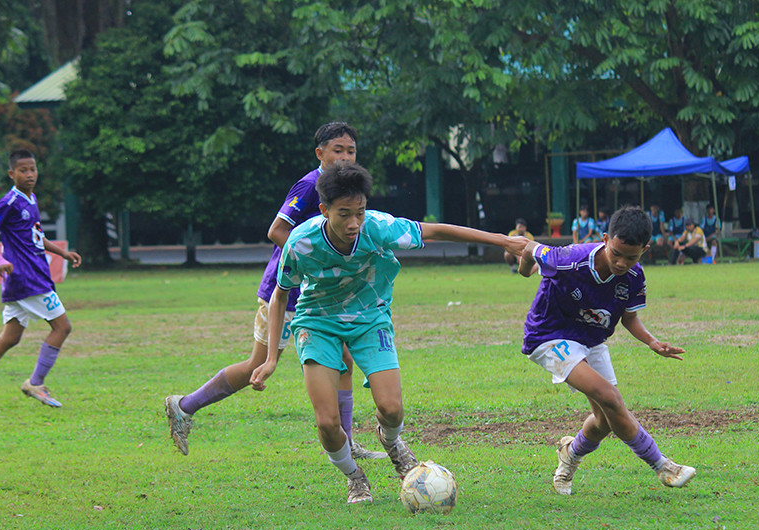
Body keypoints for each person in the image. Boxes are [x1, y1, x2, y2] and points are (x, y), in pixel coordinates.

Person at [250, 163, 529, 504]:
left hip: (370, 318)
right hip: (317, 322)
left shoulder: (378, 227)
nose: (354, 223)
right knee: (326, 422)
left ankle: (391, 440)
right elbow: (280, 296)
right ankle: (355, 478)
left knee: (392, 408)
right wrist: (270, 359)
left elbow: (435, 231)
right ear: (324, 211)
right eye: (344, 214)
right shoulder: (301, 243)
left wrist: (504, 241)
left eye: (360, 212)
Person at [164, 122, 384, 460]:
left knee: (344, 359)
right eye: (337, 150)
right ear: (320, 153)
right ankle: (184, 405)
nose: (344, 156)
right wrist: (316, 264)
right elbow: (278, 230)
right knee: (259, 362)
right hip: (287, 290)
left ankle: (347, 440)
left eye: (350, 150)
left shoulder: (343, 190)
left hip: (320, 294)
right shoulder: (311, 186)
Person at [516, 205, 696, 495]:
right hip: (548, 336)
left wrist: (651, 341)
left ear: (645, 251)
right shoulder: (568, 258)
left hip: (590, 338)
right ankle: (663, 466)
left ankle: (570, 453)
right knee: (610, 397)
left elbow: (629, 317)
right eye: (616, 253)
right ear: (604, 239)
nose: (622, 263)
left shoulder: (635, 278)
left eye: (631, 257)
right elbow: (527, 249)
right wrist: (526, 271)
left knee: (604, 421)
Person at [0, 149, 82, 411]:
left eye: (32, 169)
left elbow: (36, 237)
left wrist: (62, 253)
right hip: (27, 279)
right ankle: (36, 383)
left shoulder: (31, 199)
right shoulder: (9, 201)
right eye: (23, 170)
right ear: (12, 174)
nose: (29, 174)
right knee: (62, 327)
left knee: (11, 337)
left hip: (23, 279)